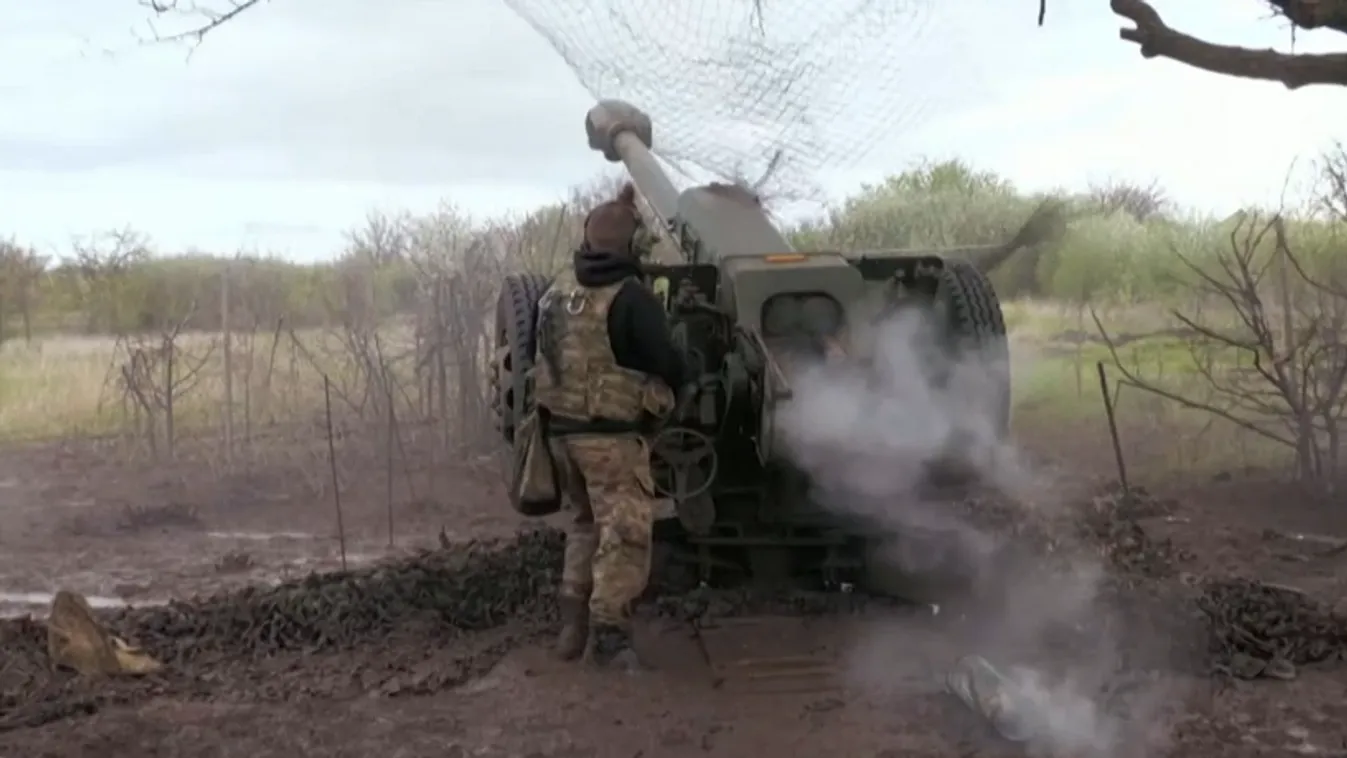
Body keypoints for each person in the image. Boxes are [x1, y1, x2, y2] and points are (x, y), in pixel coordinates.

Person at [532, 182, 689, 672]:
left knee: (583, 525)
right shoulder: (633, 298)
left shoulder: (557, 293)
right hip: (612, 441)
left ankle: (571, 625)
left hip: (561, 437)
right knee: (625, 535)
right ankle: (610, 639)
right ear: (631, 246)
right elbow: (668, 362)